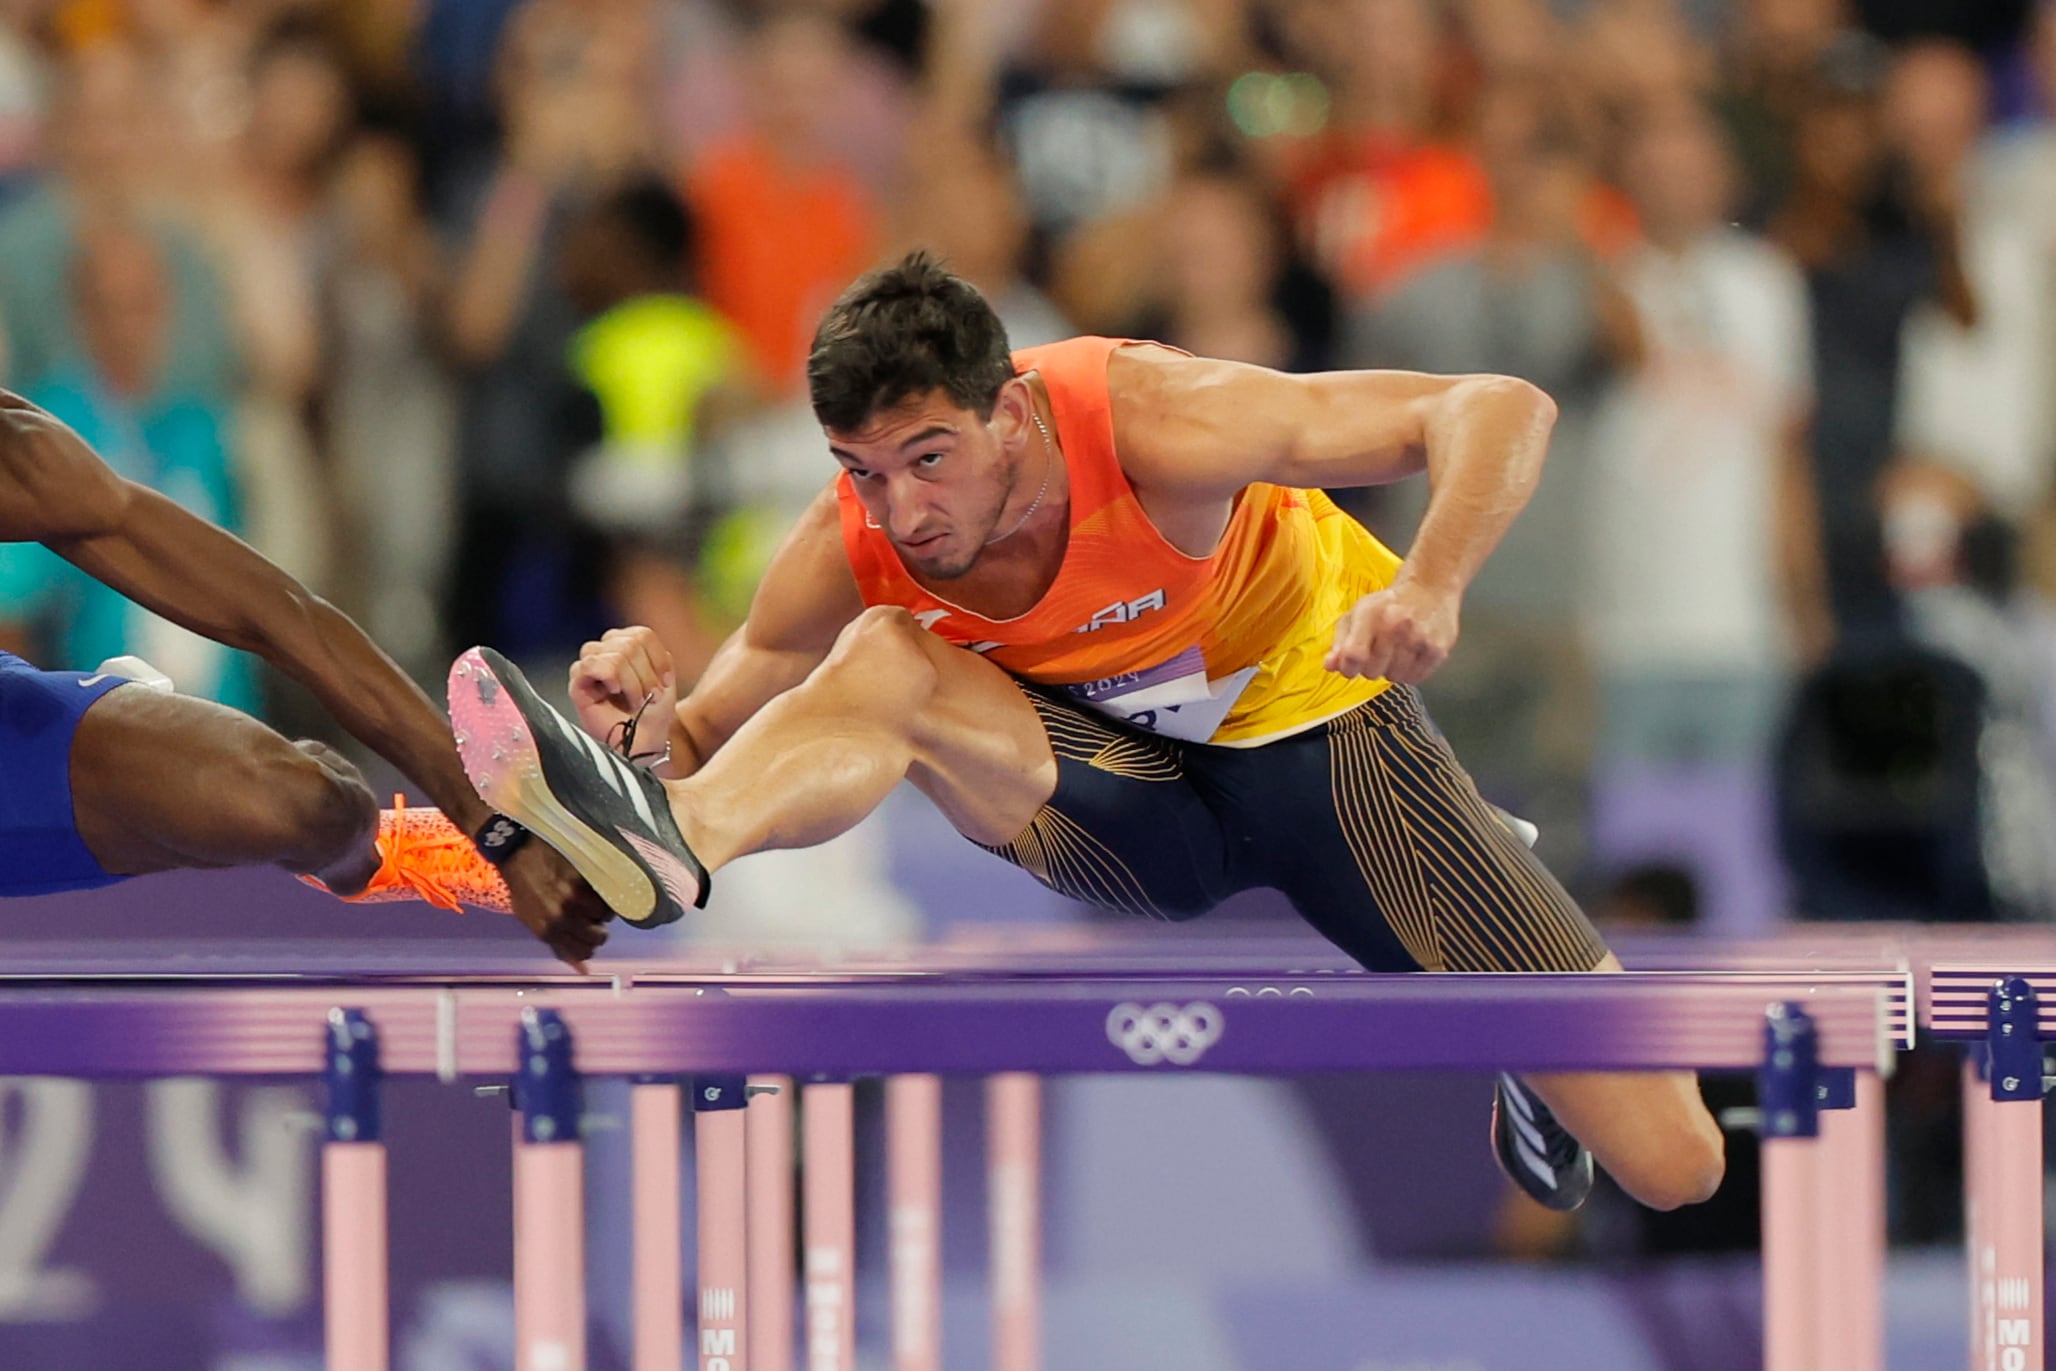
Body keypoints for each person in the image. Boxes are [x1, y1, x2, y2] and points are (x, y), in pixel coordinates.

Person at [449, 252, 1726, 1213]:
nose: (900, 510)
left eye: (930, 458)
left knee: (1674, 1165)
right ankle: (674, 851)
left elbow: (1498, 408)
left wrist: (1430, 583)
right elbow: (723, 727)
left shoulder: (1157, 415)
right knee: (882, 657)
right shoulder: (854, 539)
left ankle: (1512, 1050)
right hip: (1121, 809)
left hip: (1329, 752)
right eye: (862, 468)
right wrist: (654, 731)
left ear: (1011, 410)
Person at [0, 387, 611, 967]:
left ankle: (377, 849)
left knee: (292, 800)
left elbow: (278, 614)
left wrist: (494, 826)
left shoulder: (20, 458)